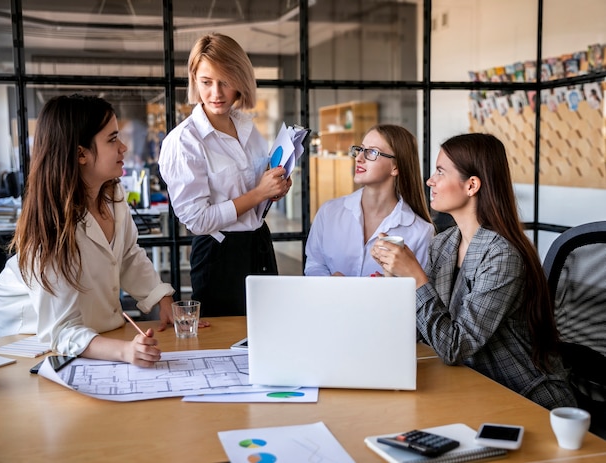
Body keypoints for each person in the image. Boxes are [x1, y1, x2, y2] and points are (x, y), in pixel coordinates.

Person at [0, 94, 200, 367]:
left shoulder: (113, 193)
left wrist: (164, 299)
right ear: (81, 154)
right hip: (32, 330)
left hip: (87, 324)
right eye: (112, 139)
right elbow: (60, 330)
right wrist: (125, 351)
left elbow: (127, 255)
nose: (123, 147)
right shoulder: (52, 228)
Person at [371, 133, 575, 409]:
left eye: (440, 172)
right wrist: (394, 276)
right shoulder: (444, 243)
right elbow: (426, 332)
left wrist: (416, 277)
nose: (430, 180)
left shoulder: (502, 255)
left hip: (522, 395)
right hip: (472, 383)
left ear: (471, 185)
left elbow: (454, 346)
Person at [158, 33, 291, 317]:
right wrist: (258, 193)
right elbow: (197, 220)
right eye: (206, 82)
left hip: (258, 243)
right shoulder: (184, 141)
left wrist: (273, 190)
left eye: (226, 82)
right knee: (223, 344)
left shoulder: (247, 129)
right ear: (194, 79)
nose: (216, 93)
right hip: (219, 255)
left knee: (269, 331)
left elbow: (254, 196)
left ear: (240, 81)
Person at [305, 124, 434, 276]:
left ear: (395, 167)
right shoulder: (329, 212)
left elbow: (418, 291)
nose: (359, 158)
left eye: (372, 152)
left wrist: (387, 288)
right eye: (360, 150)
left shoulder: (421, 232)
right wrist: (332, 282)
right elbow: (314, 265)